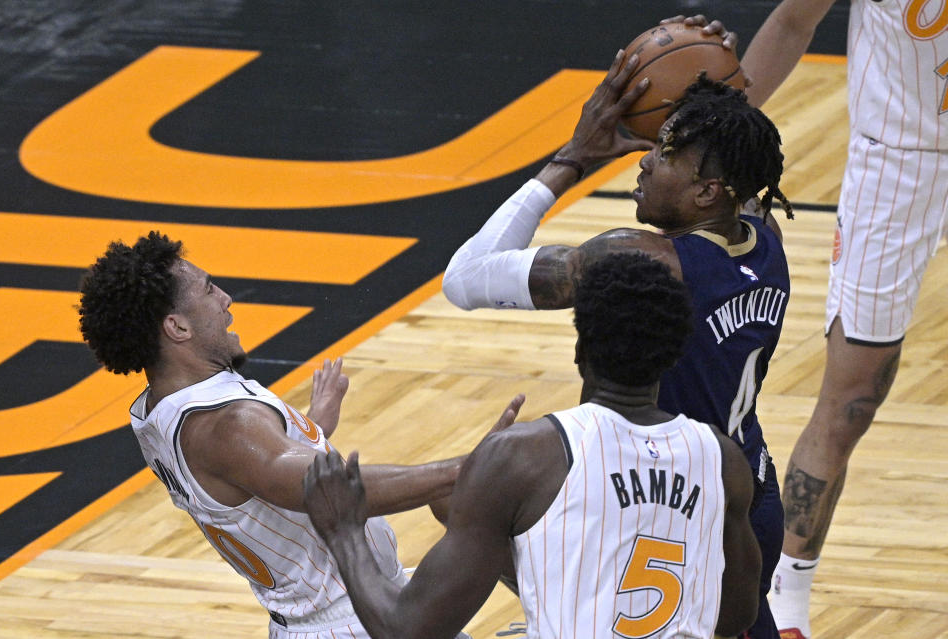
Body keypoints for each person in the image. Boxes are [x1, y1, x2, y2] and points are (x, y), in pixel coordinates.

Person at [442, 48, 792, 639]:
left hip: (663, 504)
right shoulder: (762, 232)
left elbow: (465, 277)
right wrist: (710, 80)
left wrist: (573, 158)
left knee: (459, 504)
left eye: (667, 153)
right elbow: (736, 143)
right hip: (747, 490)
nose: (647, 161)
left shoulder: (643, 260)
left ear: (707, 192)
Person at [77, 232, 523, 639]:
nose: (226, 300)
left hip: (323, 617)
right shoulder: (227, 426)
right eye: (210, 290)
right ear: (177, 327)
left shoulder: (157, 409)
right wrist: (465, 470)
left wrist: (312, 425)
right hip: (351, 622)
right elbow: (327, 492)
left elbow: (252, 483)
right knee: (484, 506)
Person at [304, 251, 762, 639]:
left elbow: (408, 628)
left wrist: (344, 530)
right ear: (674, 354)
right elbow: (737, 613)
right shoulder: (720, 460)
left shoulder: (525, 458)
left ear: (581, 350)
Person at [736, 2, 948, 638]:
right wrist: (722, 133)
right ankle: (787, 595)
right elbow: (794, 22)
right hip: (901, 161)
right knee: (853, 396)